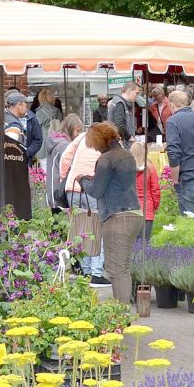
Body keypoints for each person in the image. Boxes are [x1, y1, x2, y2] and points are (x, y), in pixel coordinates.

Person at [79, 123, 144, 304]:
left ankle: (120, 314)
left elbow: (96, 191)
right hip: (134, 214)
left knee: (116, 270)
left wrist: (83, 180)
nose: (93, 147)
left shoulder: (106, 159)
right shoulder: (127, 154)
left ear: (99, 141)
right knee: (123, 267)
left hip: (117, 217)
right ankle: (122, 310)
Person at [61, 117, 109, 287]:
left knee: (81, 231)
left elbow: (65, 158)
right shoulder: (106, 141)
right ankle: (96, 273)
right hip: (93, 188)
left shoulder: (80, 138)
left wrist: (64, 177)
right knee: (97, 230)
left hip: (72, 188)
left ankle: (86, 270)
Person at [46, 114, 82, 213]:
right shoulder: (65, 145)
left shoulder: (55, 140)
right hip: (60, 189)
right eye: (77, 131)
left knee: (56, 221)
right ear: (70, 128)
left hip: (53, 187)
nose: (78, 134)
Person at [131, 142, 161, 243]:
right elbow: (155, 190)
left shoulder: (126, 168)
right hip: (146, 208)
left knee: (130, 243)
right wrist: (155, 206)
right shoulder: (150, 168)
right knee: (144, 243)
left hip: (130, 209)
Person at [3, 92, 44, 159]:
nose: (27, 109)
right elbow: (10, 148)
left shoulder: (31, 117)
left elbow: (38, 140)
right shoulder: (14, 124)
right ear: (19, 105)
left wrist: (27, 152)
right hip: (14, 162)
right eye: (26, 106)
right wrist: (21, 154)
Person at [34, 88, 62, 160]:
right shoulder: (57, 111)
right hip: (57, 141)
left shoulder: (39, 111)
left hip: (44, 142)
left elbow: (37, 129)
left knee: (44, 166)